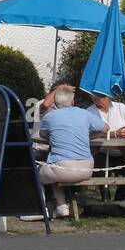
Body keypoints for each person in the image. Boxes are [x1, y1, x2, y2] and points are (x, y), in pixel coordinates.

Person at [34, 86, 105, 218]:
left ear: (55, 102)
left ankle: (39, 209)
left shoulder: (50, 117)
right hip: (87, 169)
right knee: (52, 169)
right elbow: (105, 128)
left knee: (35, 173)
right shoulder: (83, 113)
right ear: (73, 101)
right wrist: (89, 136)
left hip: (62, 167)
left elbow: (43, 135)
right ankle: (62, 207)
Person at [89, 92, 125, 208]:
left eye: (101, 97)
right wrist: (115, 134)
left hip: (123, 151)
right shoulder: (89, 112)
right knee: (98, 171)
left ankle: (121, 198)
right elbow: (90, 134)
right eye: (95, 97)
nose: (99, 100)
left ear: (108, 96)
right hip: (102, 151)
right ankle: (105, 198)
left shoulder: (120, 107)